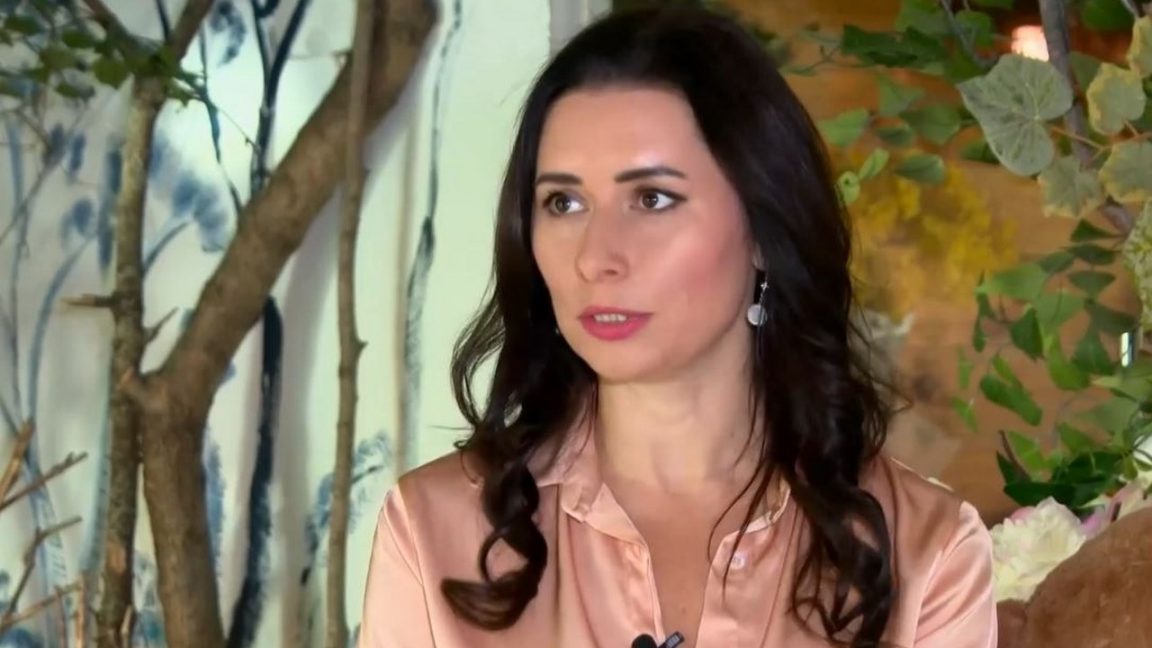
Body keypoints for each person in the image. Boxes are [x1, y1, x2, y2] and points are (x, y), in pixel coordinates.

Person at [358, 5, 996, 648]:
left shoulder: (927, 554)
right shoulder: (433, 533)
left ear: (764, 231)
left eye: (653, 198)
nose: (595, 257)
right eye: (564, 202)